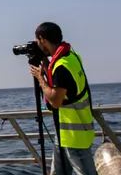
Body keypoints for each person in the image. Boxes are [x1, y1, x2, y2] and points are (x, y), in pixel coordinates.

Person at [29, 21, 98, 175]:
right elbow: (67, 87)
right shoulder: (72, 57)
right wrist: (47, 65)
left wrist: (40, 79)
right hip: (70, 130)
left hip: (73, 135)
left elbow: (55, 100)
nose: (38, 45)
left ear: (43, 39)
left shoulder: (61, 66)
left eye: (38, 42)